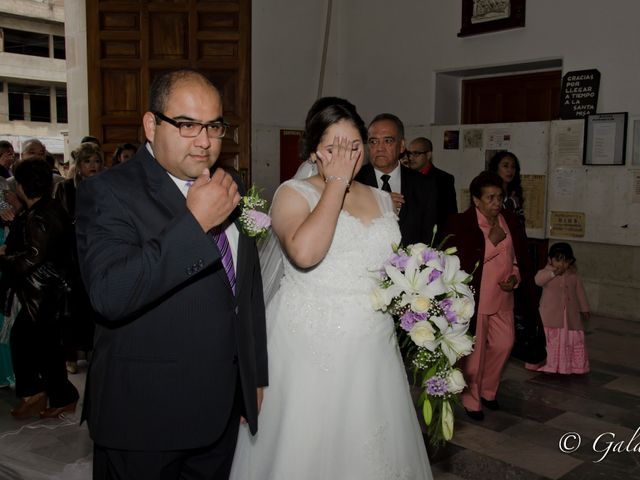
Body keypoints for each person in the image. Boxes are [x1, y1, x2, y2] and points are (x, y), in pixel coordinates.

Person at [75, 69, 268, 480]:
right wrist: (194, 223)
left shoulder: (230, 182)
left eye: (214, 126)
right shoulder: (108, 191)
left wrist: (254, 375)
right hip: (145, 415)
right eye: (186, 125)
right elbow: (110, 294)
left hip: (219, 407)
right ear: (151, 124)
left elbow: (246, 292)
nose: (204, 140)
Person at [230, 98, 433, 480]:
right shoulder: (293, 194)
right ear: (313, 152)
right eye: (333, 148)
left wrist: (423, 294)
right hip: (310, 344)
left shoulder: (381, 199)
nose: (346, 156)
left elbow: (388, 266)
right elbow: (306, 253)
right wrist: (336, 183)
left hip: (373, 343)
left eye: (354, 147)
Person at [443, 171, 533, 421]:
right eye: (490, 198)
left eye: (499, 197)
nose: (496, 203)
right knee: (476, 354)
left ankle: (488, 390)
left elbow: (517, 257)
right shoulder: (463, 223)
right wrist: (492, 243)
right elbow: (462, 262)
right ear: (476, 200)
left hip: (503, 297)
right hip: (477, 299)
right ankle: (471, 400)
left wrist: (515, 275)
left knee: (505, 344)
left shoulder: (508, 220)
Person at [0, 158, 79, 419]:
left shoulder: (42, 214)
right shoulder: (43, 209)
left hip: (45, 292)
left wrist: (4, 256)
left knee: (40, 346)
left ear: (22, 186)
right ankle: (42, 393)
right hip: (45, 291)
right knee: (33, 343)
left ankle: (59, 395)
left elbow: (32, 257)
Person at [54, 142, 105, 374]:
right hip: (71, 254)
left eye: (97, 161)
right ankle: (71, 355)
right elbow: (62, 222)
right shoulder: (66, 188)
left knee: (95, 303)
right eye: (87, 162)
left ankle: (95, 350)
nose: (93, 166)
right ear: (79, 165)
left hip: (98, 250)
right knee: (71, 307)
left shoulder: (107, 186)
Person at [355, 114, 438, 246]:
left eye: (388, 141)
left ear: (402, 146)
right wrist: (381, 204)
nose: (380, 148)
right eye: (373, 141)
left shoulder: (424, 185)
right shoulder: (354, 181)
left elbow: (430, 237)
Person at [526, 243, 589, 374]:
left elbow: (580, 292)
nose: (562, 264)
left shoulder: (573, 275)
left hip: (569, 317)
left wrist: (584, 308)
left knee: (568, 339)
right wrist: (553, 273)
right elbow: (537, 280)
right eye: (558, 260)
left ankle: (568, 365)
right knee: (551, 340)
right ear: (550, 260)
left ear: (570, 261)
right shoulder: (546, 272)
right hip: (550, 316)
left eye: (565, 261)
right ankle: (547, 365)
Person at [406, 136, 458, 232]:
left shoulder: (444, 179)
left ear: (428, 155)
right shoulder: (405, 177)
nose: (411, 158)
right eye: (409, 154)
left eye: (416, 153)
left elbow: (450, 215)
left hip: (435, 235)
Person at [488, 151, 525, 225]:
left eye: (513, 167)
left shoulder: (514, 191)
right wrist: (511, 204)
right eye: (505, 166)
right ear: (496, 168)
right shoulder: (489, 191)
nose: (510, 170)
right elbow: (491, 216)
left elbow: (520, 222)